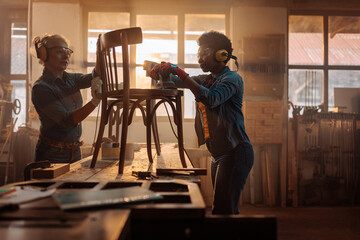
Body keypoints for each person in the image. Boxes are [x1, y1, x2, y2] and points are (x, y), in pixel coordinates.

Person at [150, 31, 254, 215]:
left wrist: (180, 72)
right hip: (218, 153)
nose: (199, 59)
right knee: (223, 209)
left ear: (221, 54)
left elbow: (212, 99)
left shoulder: (232, 79)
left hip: (236, 151)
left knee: (222, 210)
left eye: (204, 53)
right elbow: (175, 82)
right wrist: (160, 72)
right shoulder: (207, 79)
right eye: (198, 55)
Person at [31, 34, 102, 164]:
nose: (66, 56)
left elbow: (95, 76)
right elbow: (66, 121)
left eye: (68, 52)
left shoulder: (71, 79)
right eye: (59, 52)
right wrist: (94, 102)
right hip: (52, 155)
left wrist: (100, 54)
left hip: (75, 152)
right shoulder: (41, 88)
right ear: (44, 54)